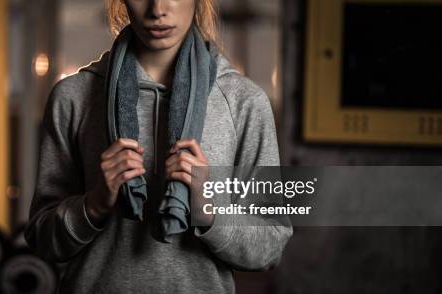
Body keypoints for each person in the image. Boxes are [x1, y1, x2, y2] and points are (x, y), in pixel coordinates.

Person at [24, 0, 292, 293]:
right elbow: (42, 239)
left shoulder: (244, 103)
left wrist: (207, 210)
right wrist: (93, 205)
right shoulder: (72, 97)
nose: (158, 9)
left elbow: (269, 247)